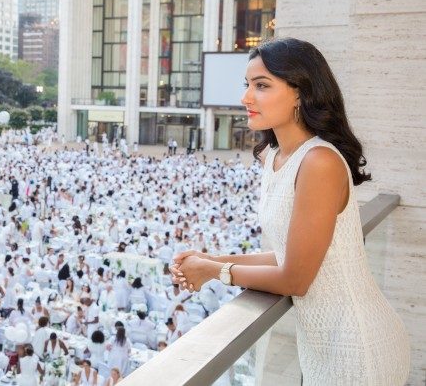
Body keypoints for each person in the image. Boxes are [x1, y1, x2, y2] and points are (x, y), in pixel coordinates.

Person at [171, 37, 410, 385]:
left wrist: (213, 269)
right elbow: (288, 254)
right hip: (321, 346)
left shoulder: (319, 161)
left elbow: (295, 279)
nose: (246, 97)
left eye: (262, 86)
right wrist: (211, 258)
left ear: (301, 92)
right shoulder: (274, 157)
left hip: (357, 347)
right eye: (247, 85)